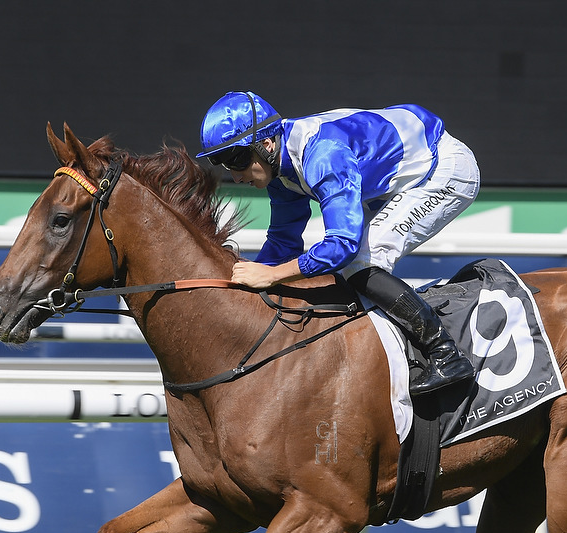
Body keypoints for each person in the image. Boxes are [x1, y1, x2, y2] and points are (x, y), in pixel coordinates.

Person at [196, 91, 478, 395]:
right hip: (402, 174)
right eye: (223, 164)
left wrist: (272, 274)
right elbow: (283, 243)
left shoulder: (323, 155)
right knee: (351, 264)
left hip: (442, 170)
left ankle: (446, 355)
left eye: (236, 160)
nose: (235, 176)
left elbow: (342, 245)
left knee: (359, 261)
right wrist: (235, 281)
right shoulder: (280, 170)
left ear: (266, 144)